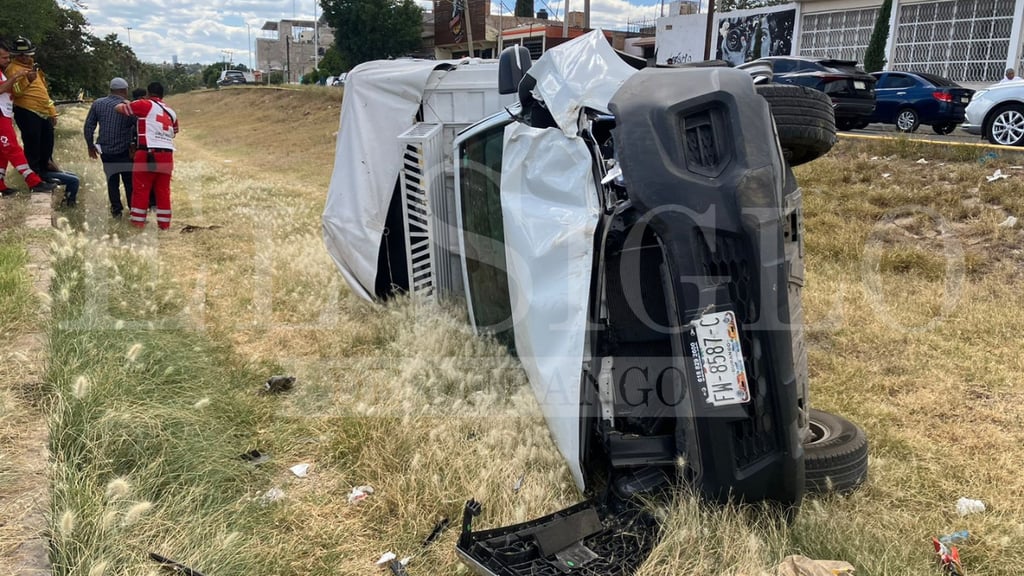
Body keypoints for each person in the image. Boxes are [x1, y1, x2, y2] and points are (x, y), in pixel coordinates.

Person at [115, 82, 179, 230]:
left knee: (141, 189)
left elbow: (119, 109)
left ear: (148, 94)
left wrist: (127, 103)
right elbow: (174, 131)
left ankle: (138, 223)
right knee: (163, 191)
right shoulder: (171, 111)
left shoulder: (144, 105)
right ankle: (164, 225)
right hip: (167, 154)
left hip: (147, 153)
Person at [0, 42, 56, 196]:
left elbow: (42, 92)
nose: (8, 60)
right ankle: (34, 181)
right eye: (5, 57)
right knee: (13, 149)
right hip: (25, 112)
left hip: (17, 112)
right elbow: (12, 90)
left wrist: (51, 110)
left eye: (8, 57)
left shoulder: (33, 68)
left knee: (3, 152)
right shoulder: (13, 70)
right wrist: (22, 78)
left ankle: (1, 184)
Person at [84, 77, 136, 217]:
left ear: (111, 90)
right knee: (129, 182)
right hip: (125, 150)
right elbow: (136, 124)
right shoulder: (127, 106)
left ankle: (116, 210)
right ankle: (133, 210)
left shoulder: (98, 103)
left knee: (112, 181)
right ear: (124, 90)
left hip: (106, 150)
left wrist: (90, 145)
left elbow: (89, 126)